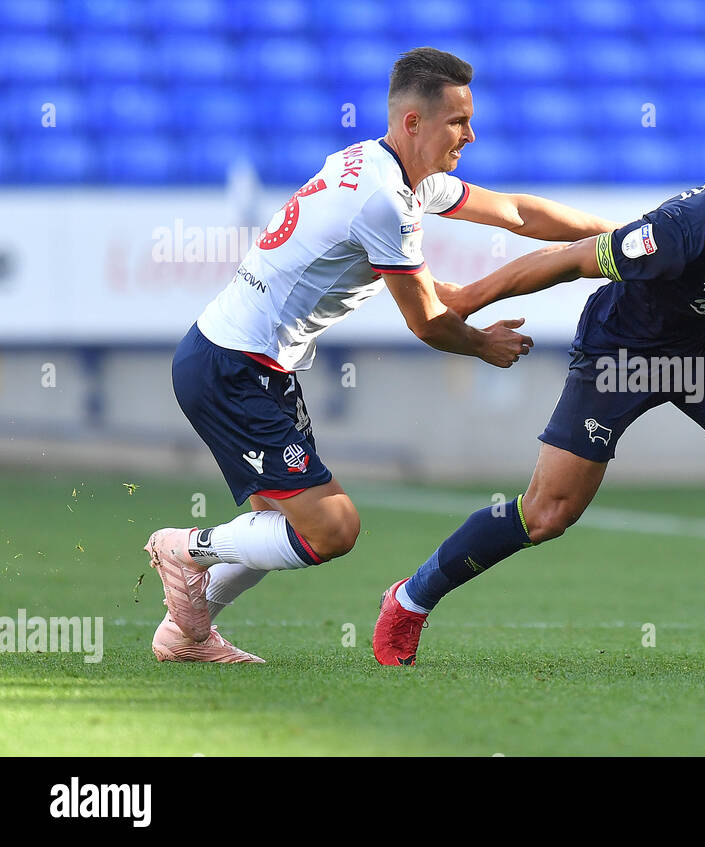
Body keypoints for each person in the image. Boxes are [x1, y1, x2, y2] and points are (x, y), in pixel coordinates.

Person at [144, 47, 616, 663]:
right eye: (458, 122)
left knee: (275, 523)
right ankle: (183, 549)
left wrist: (618, 235)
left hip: (247, 363)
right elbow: (428, 322)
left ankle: (186, 633)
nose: (470, 135)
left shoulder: (389, 172)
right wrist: (483, 344)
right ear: (413, 122)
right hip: (234, 367)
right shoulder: (382, 199)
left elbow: (517, 212)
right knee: (332, 529)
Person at [372, 136, 705, 670]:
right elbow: (570, 261)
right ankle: (409, 599)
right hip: (623, 355)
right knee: (547, 513)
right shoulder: (679, 233)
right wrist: (467, 300)